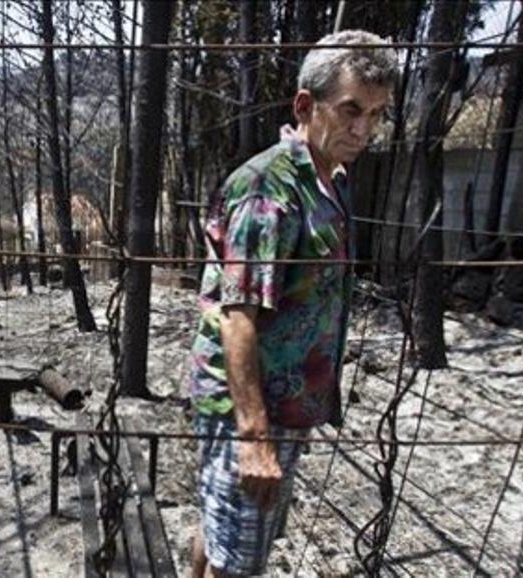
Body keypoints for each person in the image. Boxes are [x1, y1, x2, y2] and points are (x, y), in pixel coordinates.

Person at [187, 30, 398, 577]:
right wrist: (254, 439)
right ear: (307, 105)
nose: (363, 129)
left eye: (375, 115)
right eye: (351, 110)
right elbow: (237, 319)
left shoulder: (330, 180)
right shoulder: (270, 190)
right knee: (237, 559)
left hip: (284, 401)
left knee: (221, 534)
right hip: (251, 406)